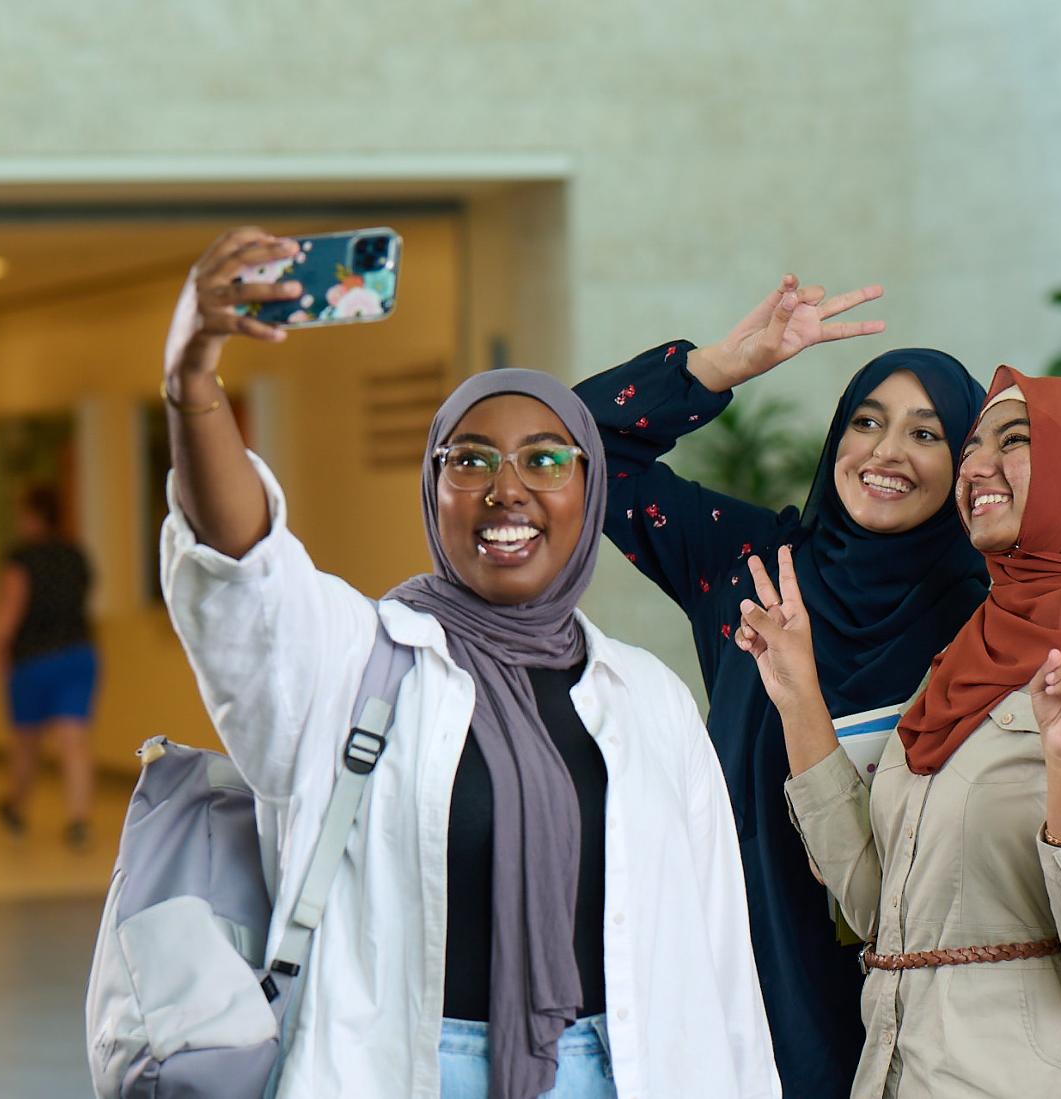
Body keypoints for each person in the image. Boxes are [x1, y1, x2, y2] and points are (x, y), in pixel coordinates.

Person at [158, 227, 780, 1099]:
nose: (507, 489)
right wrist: (192, 384)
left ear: (590, 492)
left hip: (625, 1069)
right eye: (472, 460)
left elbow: (717, 949)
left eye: (546, 461)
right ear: (434, 489)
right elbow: (243, 569)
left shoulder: (646, 696)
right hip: (415, 1071)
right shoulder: (356, 661)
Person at [736, 365, 1061, 1097]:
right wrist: (800, 698)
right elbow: (873, 906)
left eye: (1013, 441)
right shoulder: (965, 658)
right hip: (898, 1073)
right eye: (972, 445)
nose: (976, 465)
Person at [572, 283, 990, 1096]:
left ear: (964, 463)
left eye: (926, 432)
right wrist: (719, 367)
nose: (885, 451)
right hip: (740, 979)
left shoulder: (984, 621)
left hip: (912, 1009)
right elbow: (577, 451)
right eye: (865, 421)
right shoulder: (757, 568)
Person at [0, 484, 98, 848]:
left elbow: (10, 611)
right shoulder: (76, 555)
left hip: (33, 659)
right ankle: (79, 819)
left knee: (26, 741)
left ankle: (16, 806)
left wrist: (0, 650)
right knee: (75, 740)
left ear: (33, 516)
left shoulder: (21, 559)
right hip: (78, 654)